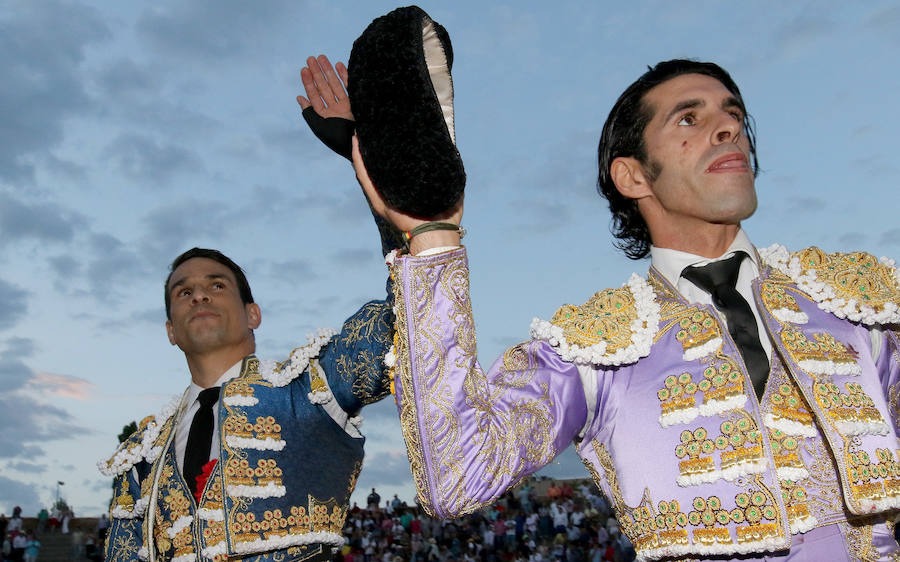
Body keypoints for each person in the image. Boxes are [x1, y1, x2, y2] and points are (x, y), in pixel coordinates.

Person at [350, 58, 900, 560]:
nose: (730, 127)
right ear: (633, 175)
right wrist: (432, 236)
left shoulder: (857, 301)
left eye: (733, 113)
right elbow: (459, 477)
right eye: (688, 118)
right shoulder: (596, 346)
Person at [99, 52, 402, 559]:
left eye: (217, 285)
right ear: (170, 330)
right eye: (182, 291)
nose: (198, 293)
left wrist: (376, 168)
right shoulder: (139, 457)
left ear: (253, 313)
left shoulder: (311, 390)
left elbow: (410, 318)